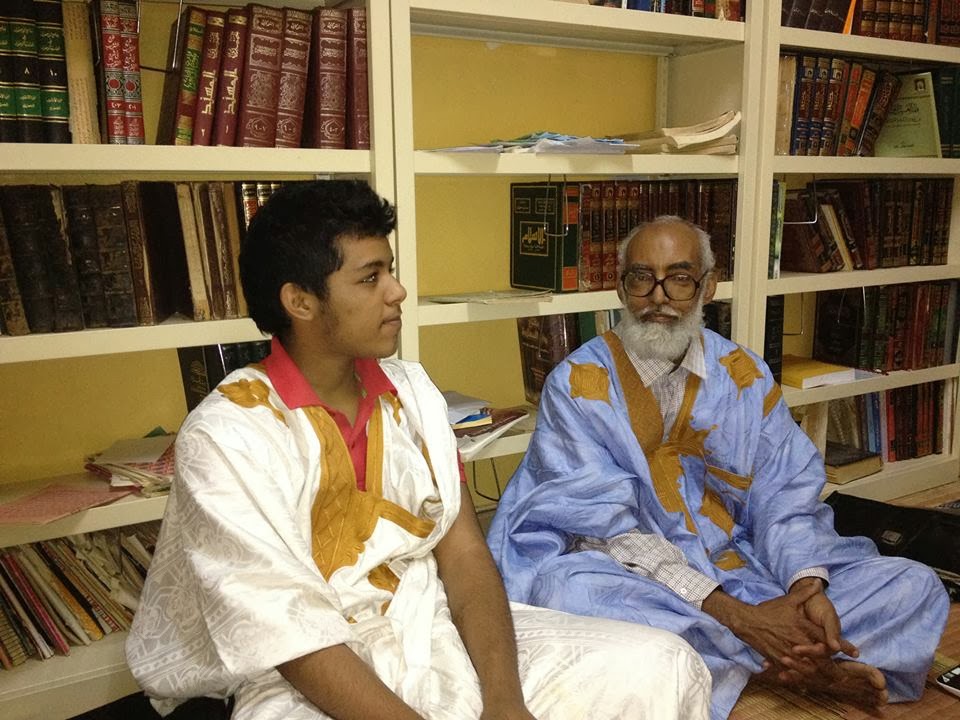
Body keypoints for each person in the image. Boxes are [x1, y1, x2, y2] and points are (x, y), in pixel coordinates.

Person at [125, 182, 712, 720]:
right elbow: (288, 637)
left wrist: (505, 702)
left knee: (661, 664)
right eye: (370, 278)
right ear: (300, 302)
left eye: (390, 270)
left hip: (430, 625)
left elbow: (464, 555)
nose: (397, 291)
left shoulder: (412, 392)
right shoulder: (228, 434)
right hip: (306, 673)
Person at [487, 215, 950, 720]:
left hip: (747, 565)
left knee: (915, 585)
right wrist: (741, 618)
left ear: (708, 286)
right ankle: (797, 668)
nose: (659, 297)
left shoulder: (743, 375)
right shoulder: (578, 383)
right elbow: (601, 531)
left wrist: (804, 588)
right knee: (569, 591)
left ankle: (747, 660)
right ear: (621, 288)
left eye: (679, 278)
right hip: (640, 576)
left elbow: (786, 499)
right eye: (641, 278)